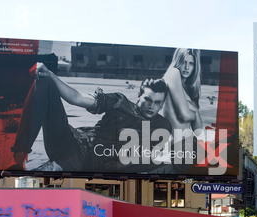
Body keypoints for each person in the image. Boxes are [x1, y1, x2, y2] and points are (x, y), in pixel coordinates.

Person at [9, 63, 171, 173]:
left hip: (85, 161)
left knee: (47, 173)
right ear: (139, 96)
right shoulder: (119, 102)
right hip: (70, 140)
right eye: (147, 100)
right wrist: (50, 74)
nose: (151, 106)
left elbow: (146, 160)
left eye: (157, 103)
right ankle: (17, 160)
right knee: (45, 82)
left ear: (162, 104)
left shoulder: (162, 127)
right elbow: (77, 98)